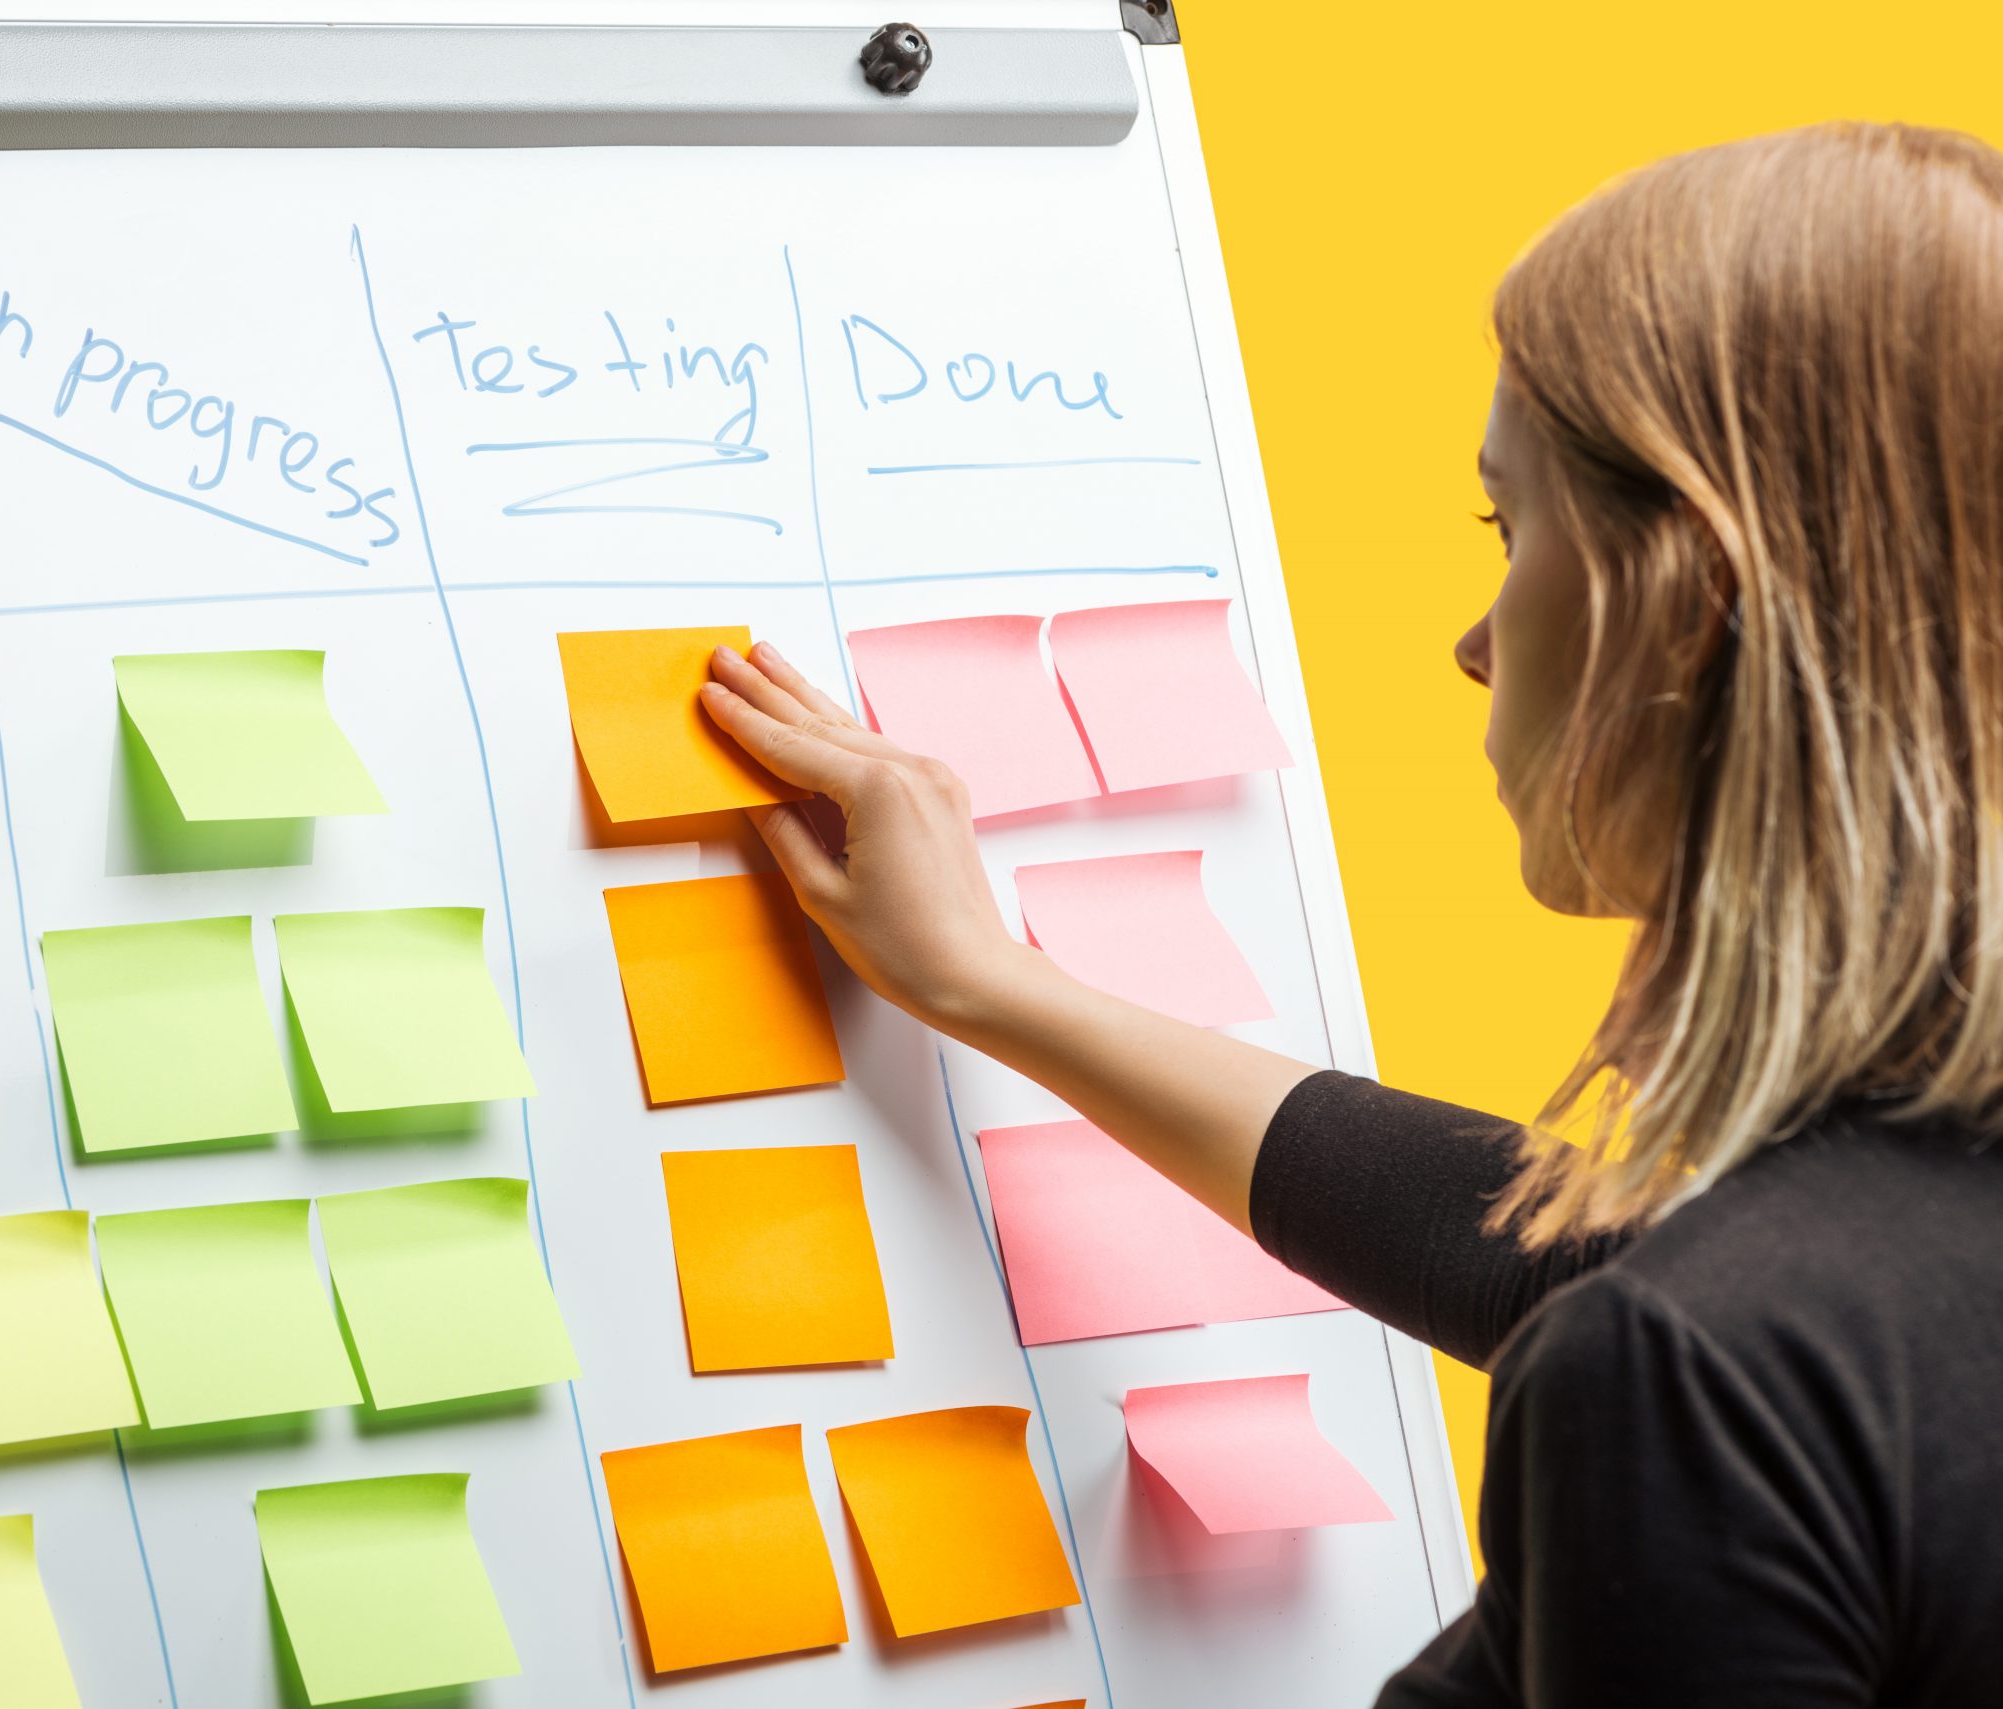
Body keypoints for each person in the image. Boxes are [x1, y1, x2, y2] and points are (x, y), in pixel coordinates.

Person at [699, 123, 2003, 1707]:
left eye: (1507, 529)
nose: (1473, 639)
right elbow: (1557, 1253)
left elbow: (1667, 1328)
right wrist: (990, 985)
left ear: (1688, 596)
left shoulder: (1697, 1372)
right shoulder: (1879, 1248)